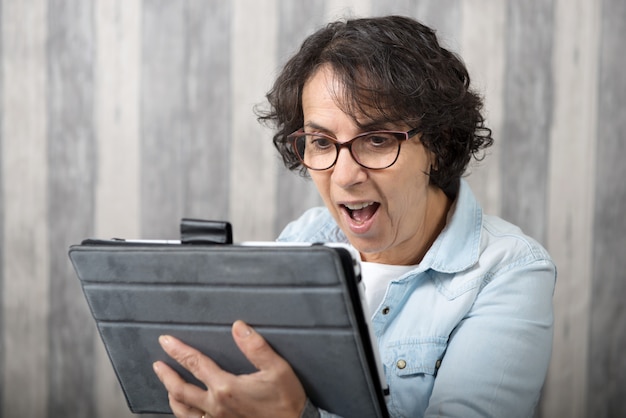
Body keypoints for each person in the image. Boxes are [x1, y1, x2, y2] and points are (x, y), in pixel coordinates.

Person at [152, 15, 556, 418]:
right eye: (321, 142)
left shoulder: (510, 271)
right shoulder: (304, 238)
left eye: (377, 139)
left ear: (439, 143)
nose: (344, 176)